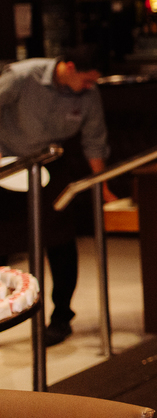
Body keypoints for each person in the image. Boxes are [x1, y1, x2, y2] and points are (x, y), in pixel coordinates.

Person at [0, 45, 116, 346]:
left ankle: (61, 317)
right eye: (87, 80)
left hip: (52, 164)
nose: (89, 87)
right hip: (7, 163)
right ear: (69, 67)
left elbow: (94, 140)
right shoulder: (22, 76)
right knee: (1, 244)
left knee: (61, 242)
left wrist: (102, 185)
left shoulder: (89, 94)